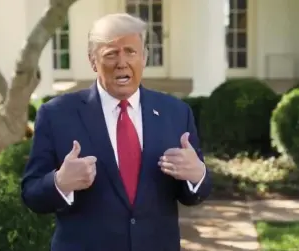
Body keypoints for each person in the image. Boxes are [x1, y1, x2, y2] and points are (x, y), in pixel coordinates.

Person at [21, 13, 211, 251]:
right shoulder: (56, 115)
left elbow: (195, 193)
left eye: (131, 51)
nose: (122, 62)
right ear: (92, 61)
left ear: (144, 57)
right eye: (111, 53)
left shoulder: (176, 113)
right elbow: (31, 194)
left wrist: (197, 174)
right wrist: (60, 183)